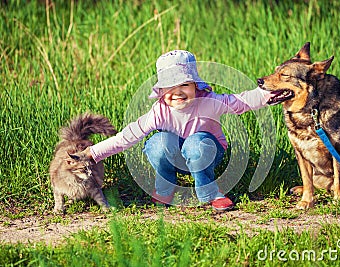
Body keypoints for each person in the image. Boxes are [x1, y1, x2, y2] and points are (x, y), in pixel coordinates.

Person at [81, 50, 274, 211]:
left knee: (195, 143)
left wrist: (271, 93)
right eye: (169, 87)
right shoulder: (159, 111)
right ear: (161, 91)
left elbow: (242, 102)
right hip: (175, 155)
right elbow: (126, 137)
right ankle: (165, 188)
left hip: (205, 152)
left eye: (184, 84)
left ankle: (209, 192)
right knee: (157, 143)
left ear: (195, 86)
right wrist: (92, 152)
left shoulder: (209, 102)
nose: (177, 92)